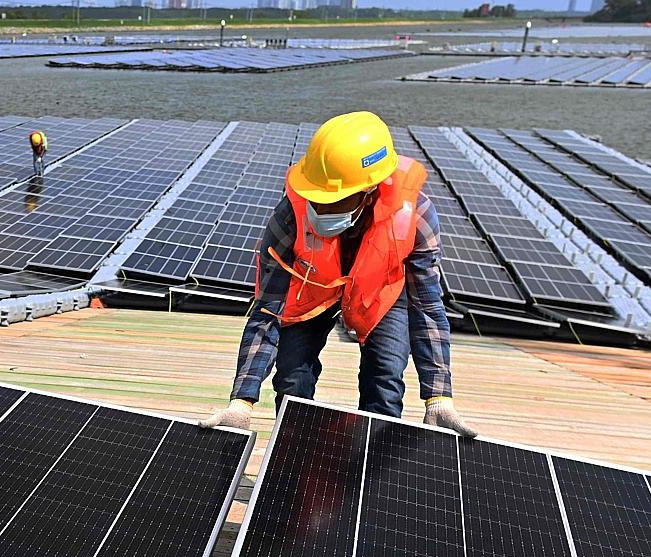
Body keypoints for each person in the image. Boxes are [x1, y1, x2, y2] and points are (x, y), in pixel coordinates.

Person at [200, 111, 476, 439]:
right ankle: (295, 460)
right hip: (311, 288)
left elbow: (427, 308)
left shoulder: (416, 217)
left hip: (379, 293)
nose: (320, 209)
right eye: (317, 199)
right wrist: (242, 401)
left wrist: (438, 396)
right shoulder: (290, 215)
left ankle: (370, 475)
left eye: (334, 200)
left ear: (370, 190)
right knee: (291, 377)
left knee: (385, 377)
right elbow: (267, 310)